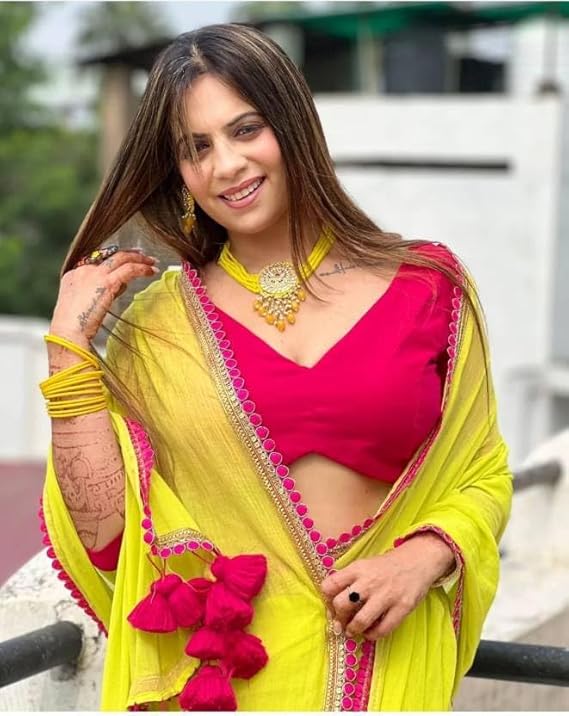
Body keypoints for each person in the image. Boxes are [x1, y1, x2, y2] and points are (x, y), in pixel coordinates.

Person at [40, 23, 513, 712]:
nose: (227, 165)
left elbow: (483, 474)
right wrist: (66, 350)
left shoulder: (427, 286)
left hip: (392, 669)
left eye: (245, 130)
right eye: (196, 148)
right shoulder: (158, 329)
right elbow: (109, 541)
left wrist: (424, 556)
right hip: (231, 684)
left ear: (293, 126)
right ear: (178, 173)